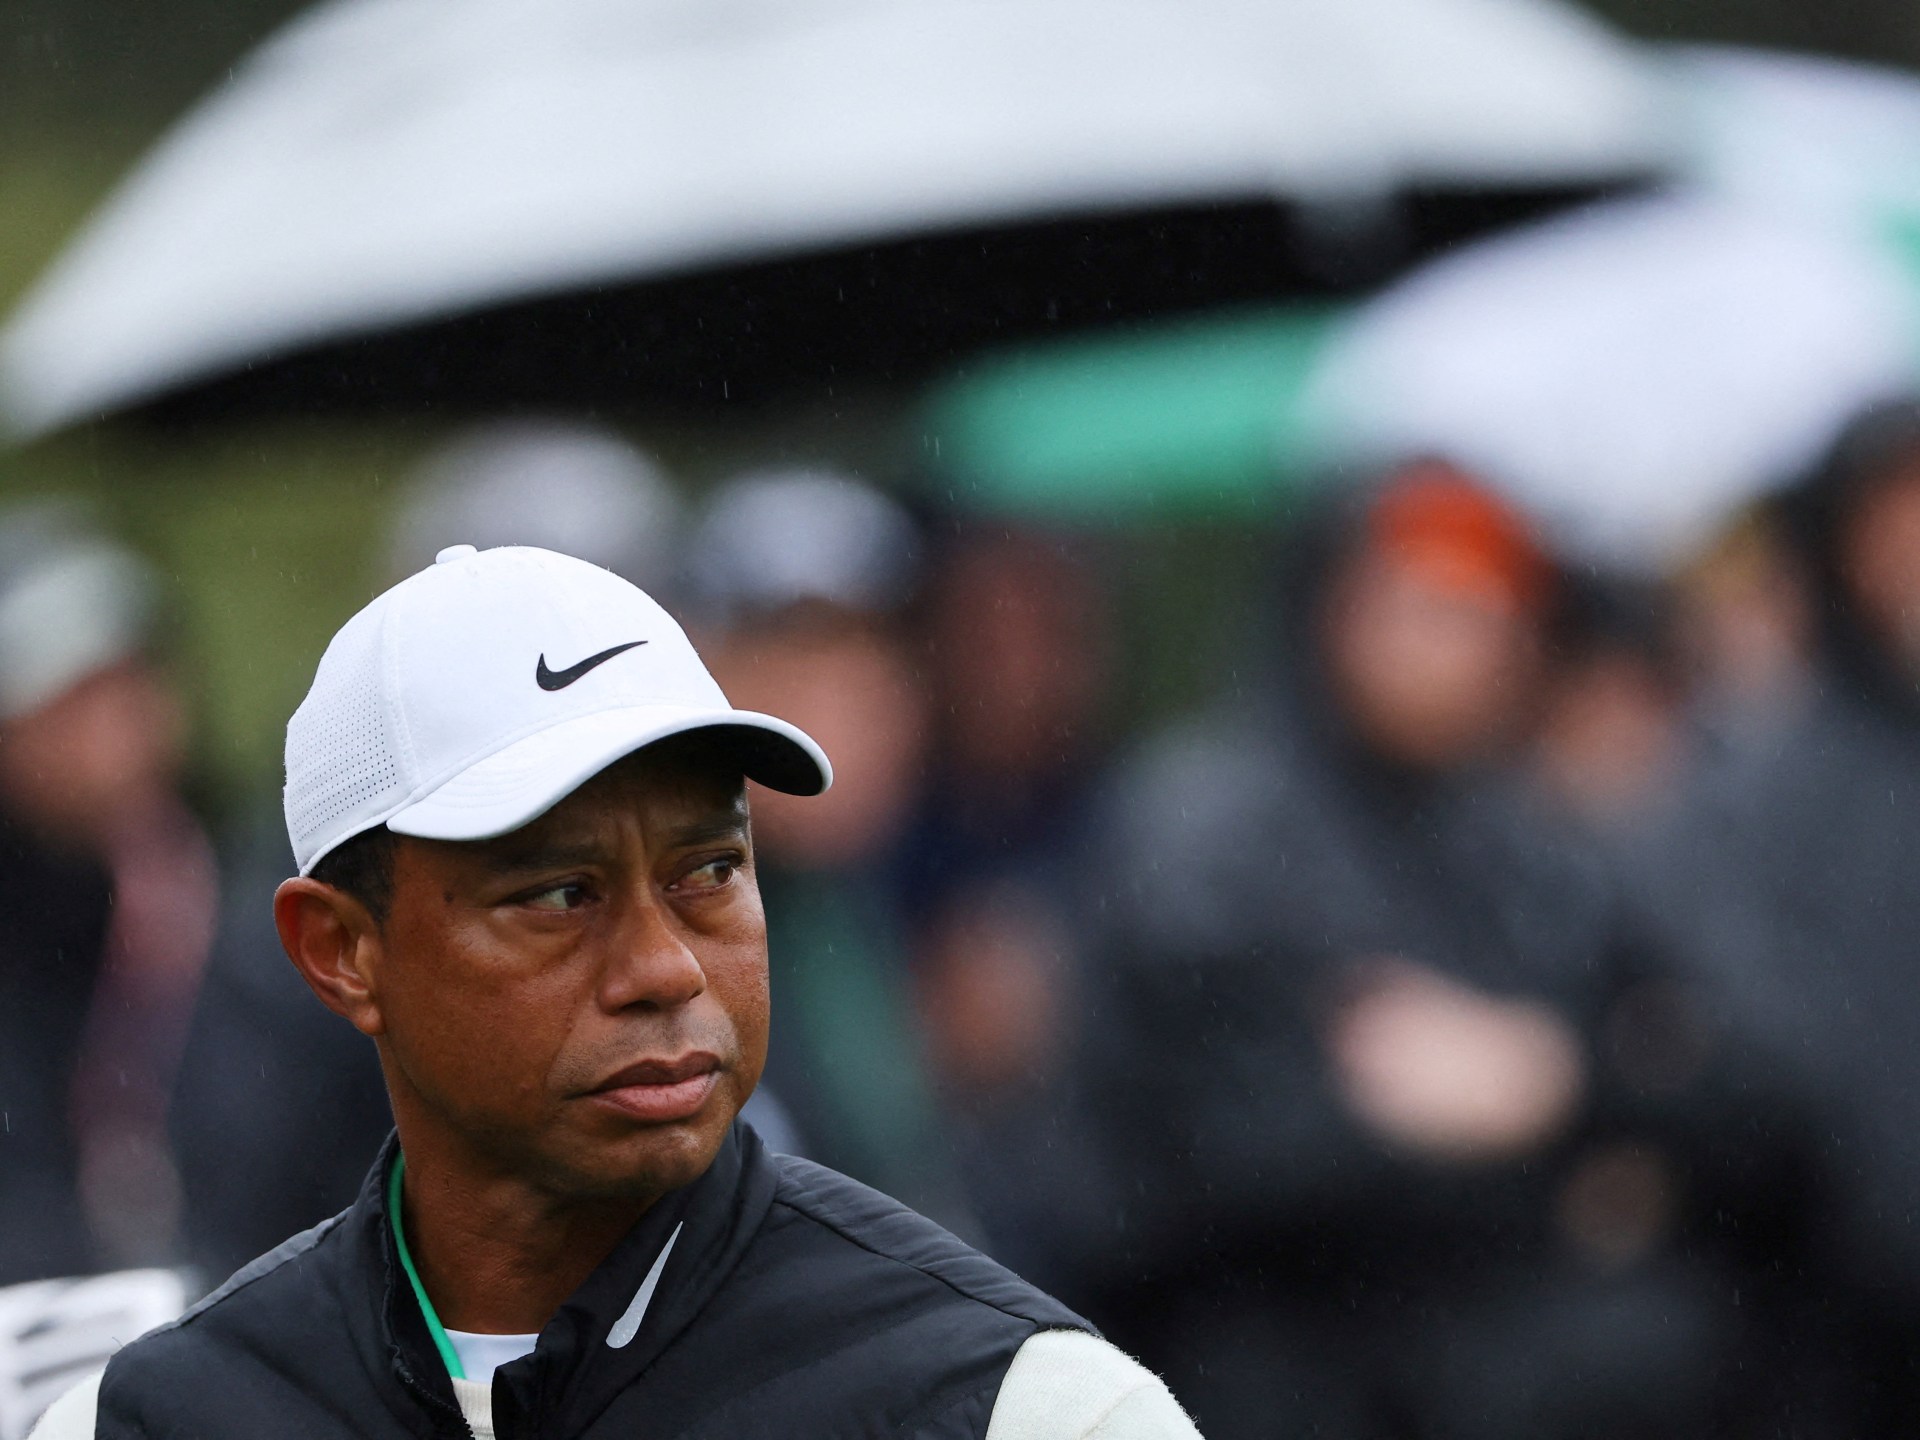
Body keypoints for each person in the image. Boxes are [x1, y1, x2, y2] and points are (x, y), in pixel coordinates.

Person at [32, 543, 1198, 1439]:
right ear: (340, 951)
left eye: (709, 872)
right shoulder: (143, 1422)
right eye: (558, 895)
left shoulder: (1021, 1409)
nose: (666, 967)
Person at [1069, 463, 1751, 1440]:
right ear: (1330, 608)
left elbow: (1700, 1067)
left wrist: (1551, 1088)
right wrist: (1478, 1135)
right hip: (1261, 1374)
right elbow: (1185, 1153)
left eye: (1493, 613)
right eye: (1428, 605)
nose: (1467, 645)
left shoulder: (1516, 836)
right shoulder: (1202, 832)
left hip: (1497, 1369)